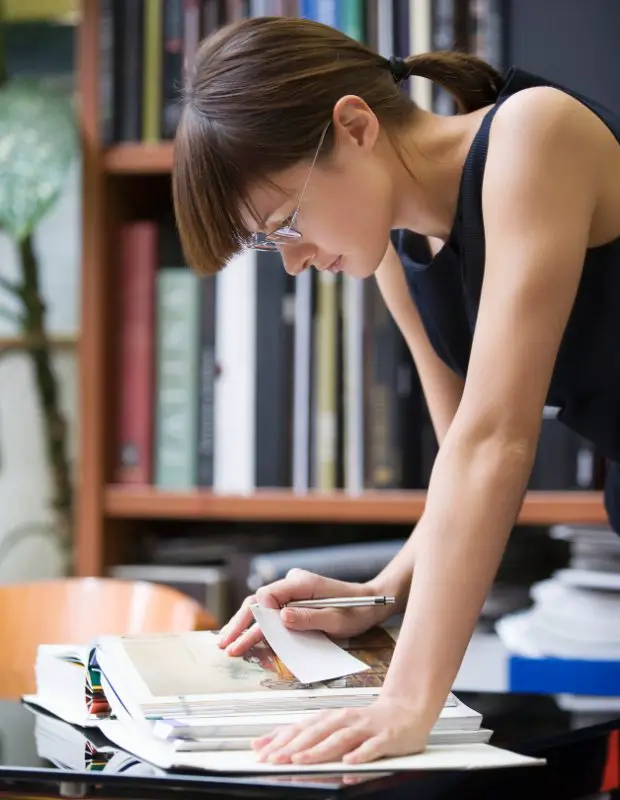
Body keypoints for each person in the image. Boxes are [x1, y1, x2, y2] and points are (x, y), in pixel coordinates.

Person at [172, 15, 620, 766]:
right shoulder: (399, 254)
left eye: (285, 224)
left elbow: (496, 443)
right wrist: (379, 595)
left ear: (354, 125)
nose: (293, 262)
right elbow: (461, 466)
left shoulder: (534, 135)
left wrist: (408, 703)